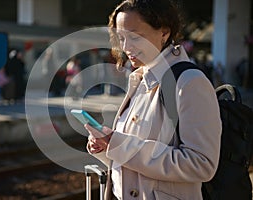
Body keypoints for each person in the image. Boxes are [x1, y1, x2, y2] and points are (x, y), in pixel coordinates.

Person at [84, 0, 222, 199]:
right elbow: (136, 164)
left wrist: (120, 145)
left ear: (164, 33)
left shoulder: (189, 82)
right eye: (121, 38)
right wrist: (106, 148)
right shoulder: (141, 78)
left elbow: (202, 164)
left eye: (135, 37)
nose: (126, 47)